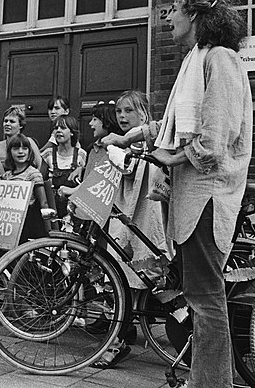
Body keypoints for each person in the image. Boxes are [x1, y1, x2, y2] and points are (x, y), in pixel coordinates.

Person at [103, 0, 252, 388]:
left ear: (197, 14)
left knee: (206, 300)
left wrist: (174, 156)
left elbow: (215, 138)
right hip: (187, 197)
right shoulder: (193, 61)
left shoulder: (219, 59)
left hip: (207, 197)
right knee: (197, 295)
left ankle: (212, 384)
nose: (167, 16)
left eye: (174, 8)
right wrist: (131, 136)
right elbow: (167, 128)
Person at [92, 90, 172, 369]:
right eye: (119, 112)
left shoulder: (152, 137)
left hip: (146, 216)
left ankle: (122, 338)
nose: (122, 116)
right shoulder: (117, 142)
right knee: (121, 276)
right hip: (124, 215)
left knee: (143, 274)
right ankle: (121, 336)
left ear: (143, 113)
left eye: (129, 111)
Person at [1, 133, 50, 242]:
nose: (21, 151)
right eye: (16, 148)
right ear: (10, 152)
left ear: (29, 152)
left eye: (25, 148)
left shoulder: (33, 174)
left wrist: (48, 228)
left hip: (27, 221)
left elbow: (43, 202)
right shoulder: (6, 176)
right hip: (7, 222)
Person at [42, 115, 86, 215]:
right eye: (56, 128)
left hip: (73, 207)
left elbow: (86, 181)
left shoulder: (81, 154)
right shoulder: (48, 154)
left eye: (63, 128)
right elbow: (41, 179)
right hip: (53, 206)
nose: (58, 130)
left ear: (71, 132)